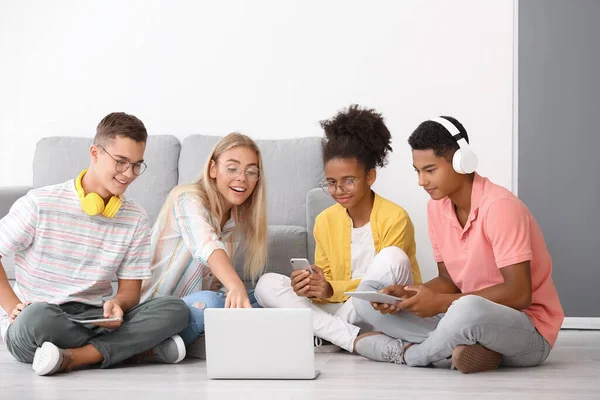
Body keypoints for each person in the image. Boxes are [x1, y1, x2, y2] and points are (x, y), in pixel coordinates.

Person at [353, 116, 564, 373]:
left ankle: (409, 353)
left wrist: (442, 303)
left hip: (527, 329)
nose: (421, 181)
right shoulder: (436, 208)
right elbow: (448, 280)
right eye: (417, 171)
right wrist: (410, 294)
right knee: (367, 294)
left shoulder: (500, 207)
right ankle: (463, 348)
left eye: (430, 170)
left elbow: (519, 294)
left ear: (461, 162)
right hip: (463, 315)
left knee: (467, 309)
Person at [0, 112, 189, 376]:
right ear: (95, 153)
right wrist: (12, 305)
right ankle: (131, 351)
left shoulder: (135, 217)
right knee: (36, 318)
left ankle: (75, 358)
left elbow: (130, 293)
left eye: (137, 165)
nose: (129, 174)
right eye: (121, 162)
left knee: (176, 309)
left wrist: (118, 306)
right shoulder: (40, 204)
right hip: (42, 319)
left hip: (95, 319)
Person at [254, 105, 422, 353]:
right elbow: (328, 284)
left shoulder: (395, 217)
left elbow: (385, 289)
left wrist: (332, 288)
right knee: (266, 285)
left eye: (349, 181)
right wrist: (315, 287)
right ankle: (349, 338)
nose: (338, 190)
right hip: (342, 310)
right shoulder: (325, 220)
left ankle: (326, 333)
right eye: (331, 183)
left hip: (384, 309)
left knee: (393, 257)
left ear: (370, 177)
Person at [141, 133, 267, 346]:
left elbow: (212, 282)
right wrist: (235, 286)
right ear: (213, 169)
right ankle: (153, 347)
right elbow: (206, 245)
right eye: (232, 168)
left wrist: (234, 294)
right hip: (158, 312)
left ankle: (192, 341)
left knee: (264, 294)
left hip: (195, 306)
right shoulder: (186, 199)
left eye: (251, 172)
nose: (242, 178)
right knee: (212, 303)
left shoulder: (234, 222)